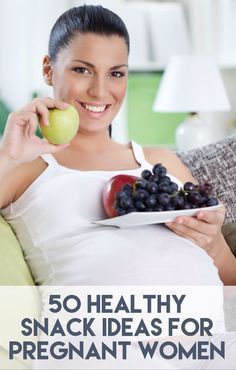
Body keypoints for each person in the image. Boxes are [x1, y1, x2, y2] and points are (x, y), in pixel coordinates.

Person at [0, 4, 235, 287]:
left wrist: (215, 245)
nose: (100, 91)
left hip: (208, 329)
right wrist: (8, 155)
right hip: (104, 327)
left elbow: (229, 276)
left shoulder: (162, 163)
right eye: (82, 70)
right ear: (49, 70)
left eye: (115, 73)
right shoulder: (23, 166)